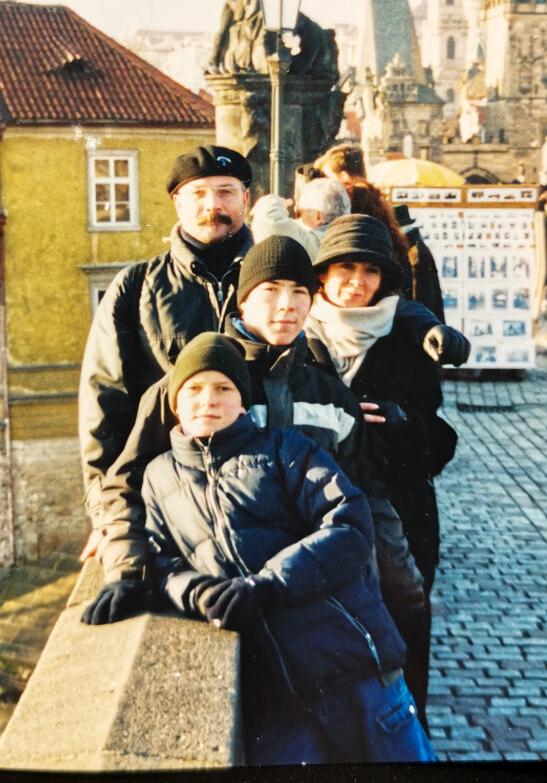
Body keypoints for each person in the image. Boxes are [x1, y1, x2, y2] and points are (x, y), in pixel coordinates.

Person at [85, 236, 430, 720]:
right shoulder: (197, 381)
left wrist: (395, 571)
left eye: (299, 292)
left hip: (311, 585)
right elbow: (126, 481)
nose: (286, 306)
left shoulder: (327, 391)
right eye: (270, 290)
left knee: (407, 603)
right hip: (232, 589)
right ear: (243, 298)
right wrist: (124, 566)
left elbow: (365, 492)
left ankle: (413, 717)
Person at [128, 333, 436, 764]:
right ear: (176, 402)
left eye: (223, 388)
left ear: (242, 400)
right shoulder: (159, 477)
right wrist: (196, 593)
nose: (208, 400)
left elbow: (349, 522)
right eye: (194, 389)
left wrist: (269, 584)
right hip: (274, 696)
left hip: (351, 669)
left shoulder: (286, 449)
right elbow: (161, 560)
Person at [303, 214, 470, 722]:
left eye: (371, 271)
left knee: (404, 615)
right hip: (315, 512)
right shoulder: (297, 335)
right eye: (346, 268)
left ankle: (407, 726)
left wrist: (403, 424)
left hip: (400, 507)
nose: (358, 281)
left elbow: (439, 442)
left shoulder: (408, 336)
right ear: (324, 273)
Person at [78, 144, 253, 537]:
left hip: (264, 499)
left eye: (226, 191)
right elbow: (104, 403)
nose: (213, 204)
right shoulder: (135, 288)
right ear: (178, 203)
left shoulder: (274, 282)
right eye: (198, 193)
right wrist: (106, 511)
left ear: (246, 198)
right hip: (167, 503)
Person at [314, 144, 445, 320]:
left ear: (344, 180)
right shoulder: (385, 217)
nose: (324, 190)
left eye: (327, 180)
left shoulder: (351, 221)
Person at [248, 193, 319, 259]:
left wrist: (275, 202)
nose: (295, 220)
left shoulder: (316, 244)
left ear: (318, 216)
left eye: (298, 214)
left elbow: (270, 220)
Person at [295, 175, 351, 243]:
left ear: (318, 216)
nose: (297, 220)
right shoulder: (355, 239)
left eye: (300, 214)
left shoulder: (306, 245)